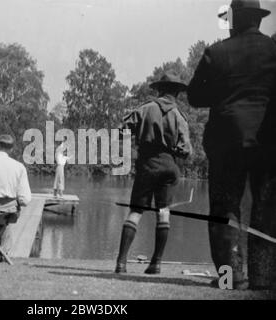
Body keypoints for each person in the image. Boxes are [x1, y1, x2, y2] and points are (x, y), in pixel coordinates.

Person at [188, 0, 276, 289]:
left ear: (234, 20)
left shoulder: (217, 53)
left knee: (225, 208)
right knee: (265, 210)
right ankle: (263, 280)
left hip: (227, 141)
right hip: (268, 142)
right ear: (259, 20)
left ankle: (231, 278)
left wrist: (223, 91)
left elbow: (195, 97)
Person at [115, 72, 192, 275]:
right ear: (177, 93)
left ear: (159, 90)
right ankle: (156, 264)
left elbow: (121, 131)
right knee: (163, 212)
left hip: (147, 165)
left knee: (136, 211)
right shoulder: (180, 116)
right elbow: (186, 151)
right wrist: (172, 149)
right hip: (169, 167)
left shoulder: (145, 109)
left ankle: (121, 264)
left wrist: (136, 137)